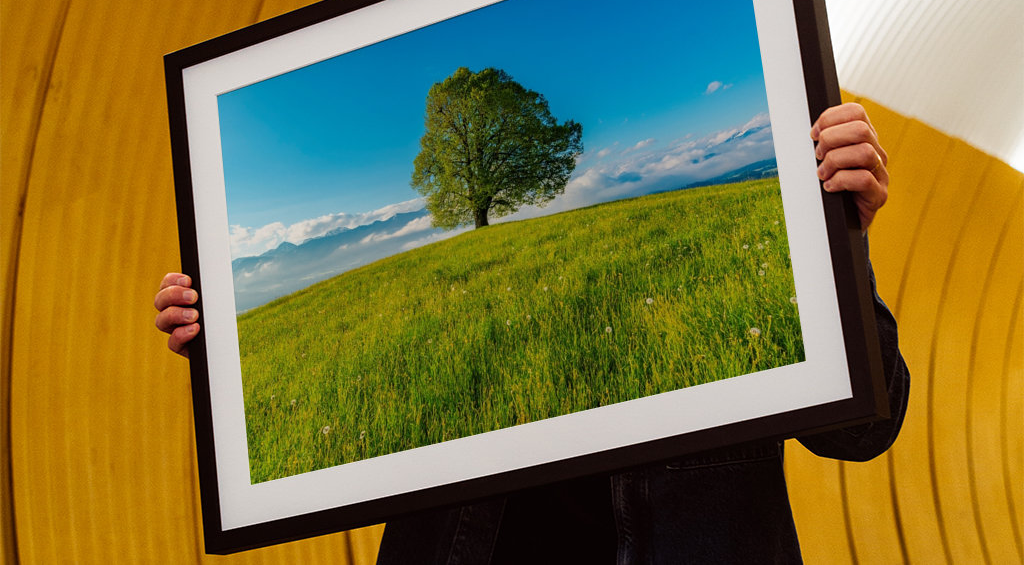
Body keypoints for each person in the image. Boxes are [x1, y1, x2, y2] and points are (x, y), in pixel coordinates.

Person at [154, 103, 909, 563]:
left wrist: (839, 236)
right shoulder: (438, 344)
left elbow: (865, 431)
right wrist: (232, 355)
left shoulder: (788, 228)